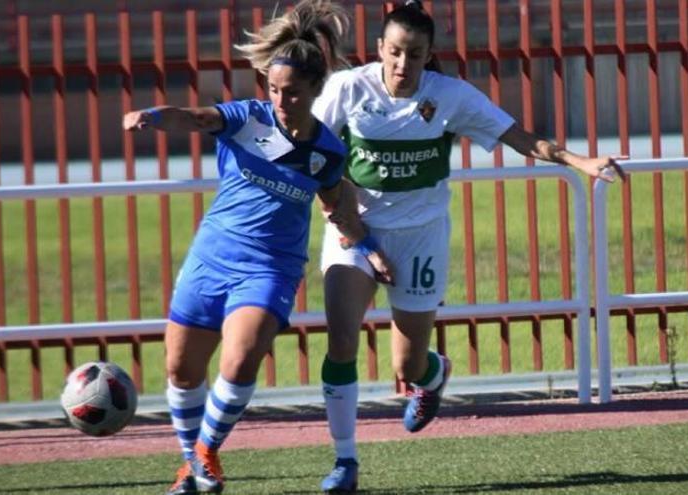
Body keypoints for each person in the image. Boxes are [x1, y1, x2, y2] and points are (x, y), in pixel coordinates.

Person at [311, 1, 626, 492]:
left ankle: (432, 375)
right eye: (394, 52)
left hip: (421, 236)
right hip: (356, 231)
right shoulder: (348, 89)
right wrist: (343, 221)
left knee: (406, 365)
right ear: (379, 50)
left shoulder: (451, 97)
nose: (402, 64)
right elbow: (310, 150)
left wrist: (578, 160)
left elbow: (518, 136)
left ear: (429, 54)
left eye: (414, 55)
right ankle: (345, 462)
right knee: (342, 336)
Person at [122, 2, 390, 494]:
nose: (281, 100)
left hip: (269, 268)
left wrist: (368, 246)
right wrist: (154, 116)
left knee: (241, 360)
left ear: (315, 89)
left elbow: (338, 208)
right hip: (211, 258)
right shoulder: (246, 119)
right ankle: (193, 467)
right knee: (181, 371)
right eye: (273, 89)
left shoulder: (327, 151)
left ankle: (204, 455)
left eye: (291, 91)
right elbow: (196, 117)